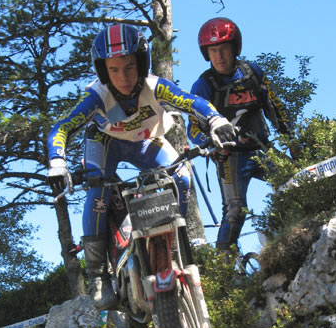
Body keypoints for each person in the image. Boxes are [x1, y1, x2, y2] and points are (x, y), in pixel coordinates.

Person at [47, 23, 237, 310]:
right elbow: (62, 127)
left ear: (141, 62)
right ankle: (98, 277)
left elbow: (191, 101)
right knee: (97, 193)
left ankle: (174, 247)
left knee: (183, 176)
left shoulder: (155, 86)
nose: (123, 77)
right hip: (106, 143)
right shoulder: (96, 95)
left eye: (129, 67)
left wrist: (216, 120)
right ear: (103, 71)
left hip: (147, 141)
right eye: (113, 70)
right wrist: (57, 163)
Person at [187, 17, 292, 253]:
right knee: (235, 210)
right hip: (230, 158)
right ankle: (224, 267)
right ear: (206, 54)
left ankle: (283, 234)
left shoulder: (252, 73)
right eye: (213, 51)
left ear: (235, 48)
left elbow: (274, 105)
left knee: (294, 181)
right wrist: (211, 145)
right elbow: (192, 128)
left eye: (224, 48)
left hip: (261, 149)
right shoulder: (203, 85)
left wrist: (290, 137)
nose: (219, 56)